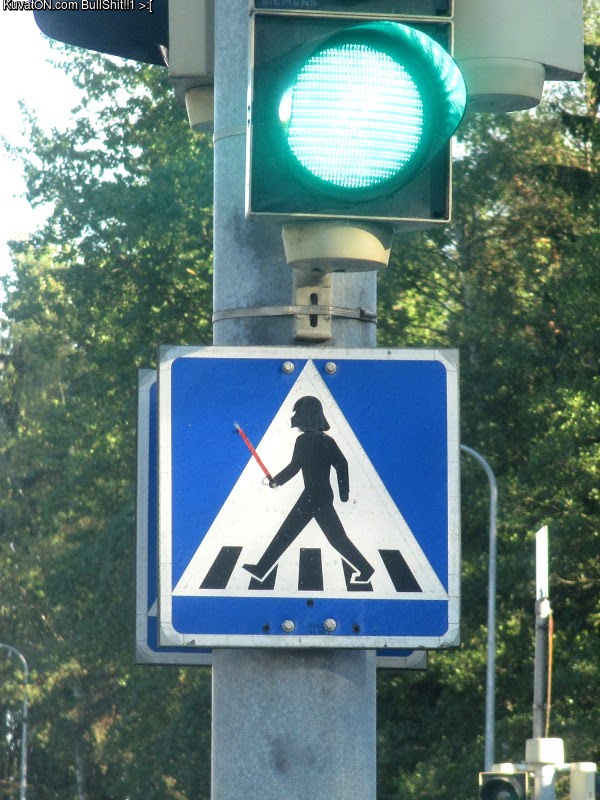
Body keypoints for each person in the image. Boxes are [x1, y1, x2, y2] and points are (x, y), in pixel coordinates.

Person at [243, 395, 374, 584]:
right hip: (318, 495)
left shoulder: (305, 441)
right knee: (329, 537)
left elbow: (297, 467)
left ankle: (262, 568)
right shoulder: (325, 441)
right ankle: (262, 568)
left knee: (317, 536)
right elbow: (339, 464)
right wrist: (343, 494)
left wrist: (277, 481)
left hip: (315, 496)